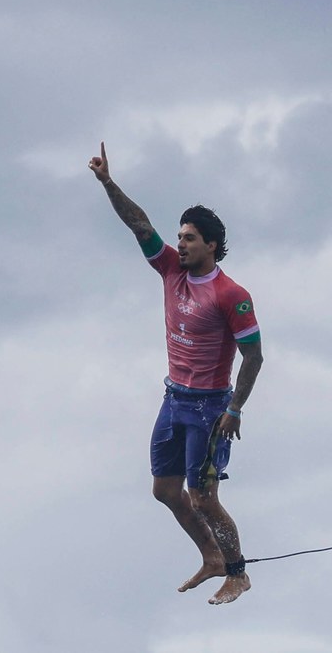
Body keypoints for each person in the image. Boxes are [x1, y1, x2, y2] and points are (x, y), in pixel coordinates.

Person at [89, 142, 264, 605]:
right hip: (173, 400)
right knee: (165, 490)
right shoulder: (171, 270)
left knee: (204, 497)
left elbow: (255, 356)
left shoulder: (231, 294)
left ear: (210, 245)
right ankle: (211, 557)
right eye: (179, 237)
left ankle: (238, 573)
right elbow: (139, 224)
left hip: (210, 408)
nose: (180, 244)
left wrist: (235, 408)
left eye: (189, 238)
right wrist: (108, 183)